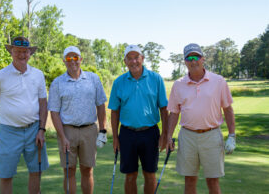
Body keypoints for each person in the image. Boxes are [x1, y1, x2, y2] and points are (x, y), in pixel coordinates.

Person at [166, 43, 236, 194]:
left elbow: (228, 109)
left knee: (213, 180)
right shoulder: (178, 84)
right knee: (189, 179)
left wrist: (232, 135)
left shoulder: (218, 81)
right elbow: (174, 113)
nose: (193, 61)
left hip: (211, 135)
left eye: (196, 57)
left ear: (203, 59)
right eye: (189, 58)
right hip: (188, 136)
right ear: (184, 61)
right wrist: (168, 136)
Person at [0, 36, 49, 194]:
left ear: (29, 53)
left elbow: (43, 103)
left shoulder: (38, 75)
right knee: (6, 174)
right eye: (18, 51)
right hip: (9, 131)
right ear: (11, 52)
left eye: (25, 51)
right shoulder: (0, 76)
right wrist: (5, 111)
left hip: (34, 129)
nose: (22, 55)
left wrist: (41, 129)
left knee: (36, 171)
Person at [108, 45, 168, 194]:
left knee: (149, 174)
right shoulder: (119, 82)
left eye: (136, 57)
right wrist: (115, 137)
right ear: (125, 61)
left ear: (142, 58)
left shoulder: (156, 79)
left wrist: (165, 135)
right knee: (130, 175)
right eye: (130, 58)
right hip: (127, 134)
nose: (133, 61)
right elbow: (114, 112)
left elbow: (164, 109)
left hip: (150, 133)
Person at [48, 46, 107, 194]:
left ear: (81, 59)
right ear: (64, 61)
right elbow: (54, 112)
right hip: (67, 130)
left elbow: (101, 105)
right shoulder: (57, 82)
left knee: (87, 170)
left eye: (76, 58)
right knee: (69, 171)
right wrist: (62, 137)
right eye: (69, 58)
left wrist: (102, 130)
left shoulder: (93, 79)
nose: (72, 61)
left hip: (89, 129)